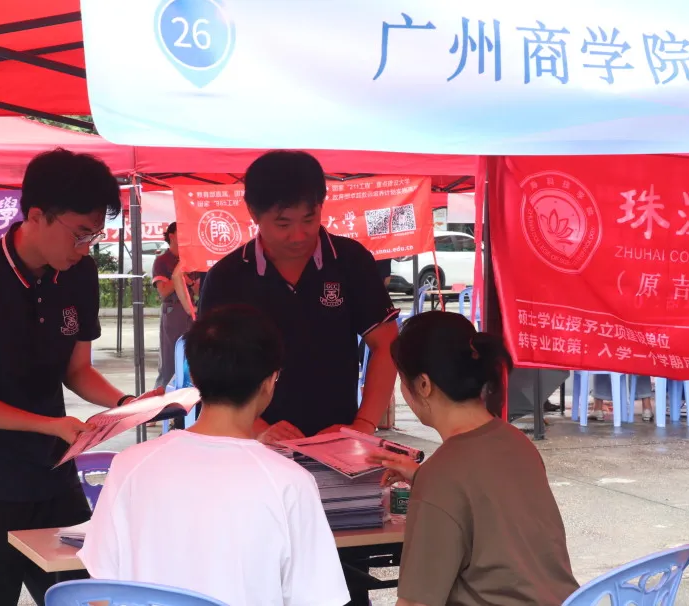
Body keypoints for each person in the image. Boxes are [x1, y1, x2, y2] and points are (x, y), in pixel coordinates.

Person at [0, 149, 160, 606]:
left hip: (52, 475)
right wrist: (51, 425)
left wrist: (125, 404)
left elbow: (77, 370)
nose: (86, 247)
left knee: (85, 595)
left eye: (94, 235)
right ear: (36, 216)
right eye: (79, 234)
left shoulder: (79, 274)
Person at [80, 305, 350, 606]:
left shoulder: (129, 465)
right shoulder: (290, 482)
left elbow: (100, 595)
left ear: (194, 377)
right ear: (270, 381)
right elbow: (318, 599)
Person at [371, 311, 579, 606]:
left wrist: (429, 480)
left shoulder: (441, 475)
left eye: (402, 381)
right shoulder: (517, 443)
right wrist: (420, 476)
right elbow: (488, 499)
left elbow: (417, 602)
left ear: (424, 385)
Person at [198, 150, 399, 444]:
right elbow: (208, 365)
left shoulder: (350, 261)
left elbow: (386, 344)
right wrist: (256, 427)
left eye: (309, 219)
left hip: (336, 440)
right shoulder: (228, 276)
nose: (299, 235)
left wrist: (363, 424)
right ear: (253, 212)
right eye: (283, 224)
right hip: (250, 442)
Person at [151, 222, 194, 389]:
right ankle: (163, 395)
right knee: (170, 358)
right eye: (181, 232)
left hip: (192, 310)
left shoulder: (191, 259)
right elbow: (163, 291)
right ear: (171, 236)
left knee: (192, 356)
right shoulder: (162, 261)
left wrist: (190, 282)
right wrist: (180, 277)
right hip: (173, 311)